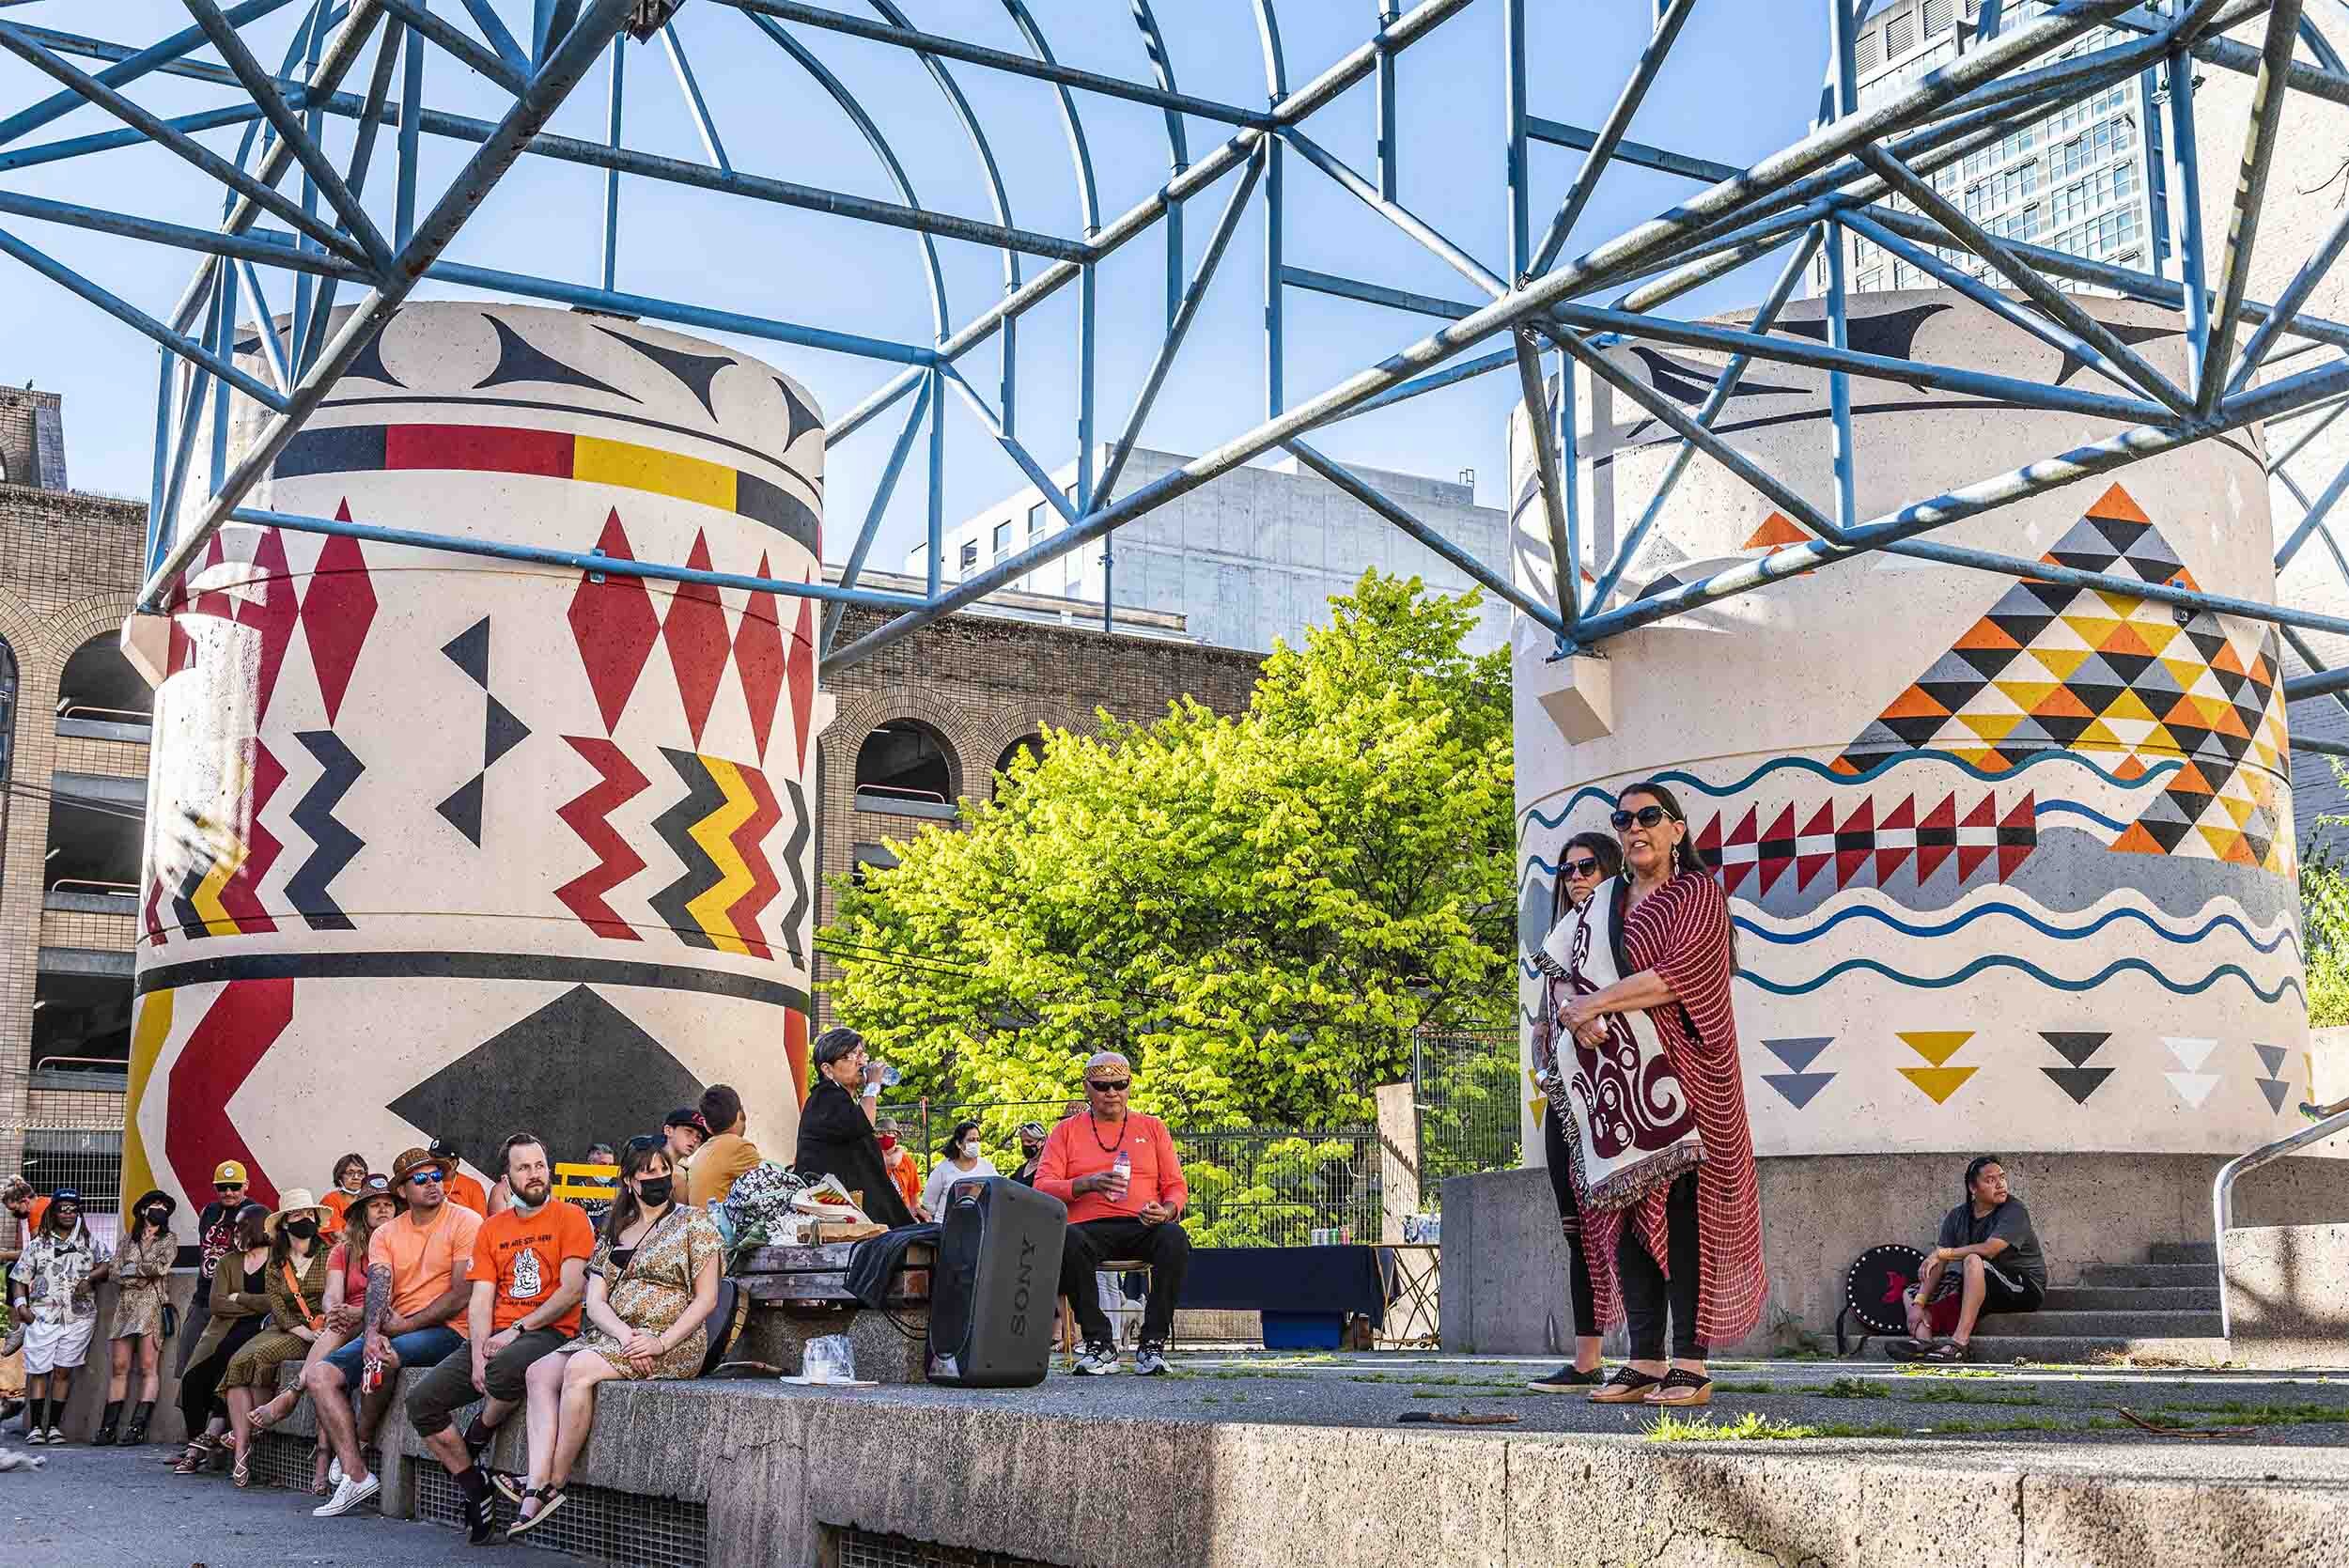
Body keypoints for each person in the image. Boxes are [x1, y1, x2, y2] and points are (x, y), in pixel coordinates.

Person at [1552, 781, 1765, 1409]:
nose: (1634, 827)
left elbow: (1678, 976)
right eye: (1624, 819)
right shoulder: (1603, 901)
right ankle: (1644, 1358)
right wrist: (1572, 1011)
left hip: (1691, 1080)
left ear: (1677, 828)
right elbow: (1561, 971)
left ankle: (1691, 1365)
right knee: (1624, 1218)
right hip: (1616, 1087)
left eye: (1649, 816)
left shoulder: (1696, 894)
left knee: (1685, 1217)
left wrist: (1592, 1003)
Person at [506, 1139, 722, 1538]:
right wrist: (625, 1337)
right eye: (648, 1173)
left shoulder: (695, 1223)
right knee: (538, 1372)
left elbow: (707, 1299)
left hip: (674, 1341)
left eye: (663, 1170)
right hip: (617, 1336)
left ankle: (550, 1484)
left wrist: (660, 1343)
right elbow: (596, 1301)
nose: (658, 1179)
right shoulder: (615, 1228)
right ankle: (534, 1479)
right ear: (630, 1181)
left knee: (579, 1367)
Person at [407, 1132, 595, 1545]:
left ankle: (481, 1429)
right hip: (493, 1337)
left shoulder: (571, 1217)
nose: (534, 1175)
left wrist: (515, 1330)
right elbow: (480, 1299)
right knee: (421, 1403)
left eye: (540, 1165)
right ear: (506, 1178)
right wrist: (475, 1353)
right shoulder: (492, 1229)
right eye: (523, 1168)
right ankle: (476, 1487)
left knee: (506, 1366)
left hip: (547, 1332)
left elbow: (571, 1291)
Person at [307, 1146, 484, 1518]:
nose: (433, 1184)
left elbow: (460, 1292)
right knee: (320, 1375)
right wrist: (371, 1331)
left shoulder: (465, 1220)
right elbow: (378, 1286)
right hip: (399, 1327)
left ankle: (363, 1438)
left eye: (437, 1176)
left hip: (451, 1330)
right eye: (420, 1179)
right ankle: (357, 1473)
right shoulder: (386, 1233)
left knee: (382, 1357)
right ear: (403, 1190)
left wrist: (405, 1324)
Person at [1526, 830, 1624, 1394]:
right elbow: (1546, 1023)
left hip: (1621, 1093)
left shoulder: (1627, 929)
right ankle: (1587, 1359)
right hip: (1567, 1100)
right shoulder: (1557, 944)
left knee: (1634, 1229)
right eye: (1567, 870)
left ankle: (1656, 1355)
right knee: (1577, 1232)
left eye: (1588, 866)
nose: (1577, 876)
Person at [1035, 1051, 1190, 1377]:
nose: (1111, 1093)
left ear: (1129, 1085)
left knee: (1175, 1237)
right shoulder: (1065, 1131)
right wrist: (1085, 1184)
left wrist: (1165, 1210)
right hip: (1088, 1228)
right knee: (1067, 1239)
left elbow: (1176, 1185)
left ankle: (1152, 1343)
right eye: (1102, 1085)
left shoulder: (1152, 1127)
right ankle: (1099, 1343)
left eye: (1119, 1085)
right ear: (1087, 1088)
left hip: (1142, 1224)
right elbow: (1043, 1186)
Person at [247, 1172, 399, 1498]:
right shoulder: (342, 1251)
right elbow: (332, 1293)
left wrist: (360, 1313)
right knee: (333, 1332)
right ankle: (296, 1396)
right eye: (375, 1205)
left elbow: (398, 1295)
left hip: (387, 1316)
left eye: (389, 1204)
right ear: (361, 1213)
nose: (383, 1210)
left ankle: (290, 1395)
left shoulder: (401, 1243)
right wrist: (336, 1309)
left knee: (339, 1339)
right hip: (346, 1319)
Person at [217, 1189, 334, 1487]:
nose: (304, 1220)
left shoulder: (330, 1254)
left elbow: (335, 1297)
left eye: (309, 1215)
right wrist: (304, 1331)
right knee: (239, 1360)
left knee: (260, 1357)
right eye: (297, 1216)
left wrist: (318, 1330)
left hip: (324, 1330)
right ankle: (243, 1448)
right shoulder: (276, 1261)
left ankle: (243, 1435)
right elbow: (277, 1307)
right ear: (284, 1223)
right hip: (290, 1328)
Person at [1892, 1156, 2047, 1363]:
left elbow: (1990, 1249)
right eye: (1990, 1180)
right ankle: (1923, 1343)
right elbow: (1938, 1263)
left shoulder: (2014, 1209)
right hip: (1979, 1286)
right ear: (1973, 1188)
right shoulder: (1957, 1216)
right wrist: (1919, 1303)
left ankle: (1959, 1344)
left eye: (2002, 1177)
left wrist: (1943, 1253)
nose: (2000, 1184)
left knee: (1973, 1259)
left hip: (2022, 1287)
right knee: (1911, 1292)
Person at [172, 1201, 270, 1472]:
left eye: (241, 1228)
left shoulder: (277, 1259)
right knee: (192, 1379)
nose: (235, 1234)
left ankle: (206, 1439)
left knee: (227, 1360)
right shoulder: (228, 1260)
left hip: (261, 1328)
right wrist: (252, 1302)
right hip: (223, 1326)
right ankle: (197, 1443)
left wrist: (241, 1298)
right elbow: (216, 1304)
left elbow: (275, 1302)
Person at [8, 1188, 112, 1443]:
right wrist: (22, 1307)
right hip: (42, 1317)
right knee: (40, 1371)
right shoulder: (38, 1245)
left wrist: (91, 1277)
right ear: (53, 1212)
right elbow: (19, 1277)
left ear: (79, 1212)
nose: (68, 1213)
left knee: (63, 1371)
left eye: (73, 1208)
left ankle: (54, 1426)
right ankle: (35, 1427)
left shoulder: (90, 1242)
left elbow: (108, 1263)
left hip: (79, 1317)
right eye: (62, 1208)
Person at [792, 1028, 914, 1228]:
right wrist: (873, 1086)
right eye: (851, 1056)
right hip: (833, 1210)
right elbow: (863, 1123)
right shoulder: (825, 1097)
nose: (861, 1062)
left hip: (855, 1207)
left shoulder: (842, 1100)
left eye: (861, 1054)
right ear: (827, 1069)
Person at [94, 1189, 175, 1445]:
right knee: (119, 1366)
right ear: (143, 1209)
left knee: (148, 1367)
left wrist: (133, 1270)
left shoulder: (169, 1239)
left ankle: (137, 1428)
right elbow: (115, 1271)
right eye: (155, 1204)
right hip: (125, 1305)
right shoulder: (128, 1240)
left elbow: (161, 1267)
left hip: (151, 1304)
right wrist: (140, 1271)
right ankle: (108, 1427)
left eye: (163, 1205)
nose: (159, 1208)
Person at [176, 1160, 249, 1379]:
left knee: (224, 1367)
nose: (228, 1192)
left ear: (246, 1185)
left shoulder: (254, 1213)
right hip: (202, 1298)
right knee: (188, 1361)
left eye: (235, 1186)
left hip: (234, 1301)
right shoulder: (208, 1211)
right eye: (222, 1187)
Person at [685, 1084, 760, 1210]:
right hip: (723, 1228)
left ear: (706, 1126)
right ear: (741, 1113)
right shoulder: (738, 1147)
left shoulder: (702, 1152)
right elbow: (773, 1186)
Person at [922, 1119, 1000, 1219]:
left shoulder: (987, 1167)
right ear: (958, 1143)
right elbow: (928, 1203)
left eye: (977, 1140)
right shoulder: (943, 1169)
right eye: (971, 1140)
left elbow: (998, 1193)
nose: (975, 1144)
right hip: (947, 1227)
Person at [876, 1119, 926, 1219]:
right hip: (878, 1216)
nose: (884, 1136)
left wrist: (913, 1217)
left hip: (903, 1216)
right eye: (880, 1133)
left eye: (889, 1132)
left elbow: (914, 1200)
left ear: (896, 1137)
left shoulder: (907, 1162)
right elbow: (891, 1163)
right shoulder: (871, 1158)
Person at [434, 1139, 490, 1217]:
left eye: (437, 1158)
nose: (432, 1161)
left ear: (453, 1164)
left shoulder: (473, 1187)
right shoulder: (423, 1179)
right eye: (430, 1157)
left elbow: (481, 1224)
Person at [662, 1106, 709, 1199]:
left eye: (699, 1137)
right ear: (668, 1131)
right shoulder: (644, 1161)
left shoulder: (688, 1171)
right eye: (688, 1132)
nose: (695, 1139)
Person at [319, 1154, 368, 1235]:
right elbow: (337, 1236)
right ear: (339, 1177)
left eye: (360, 1173)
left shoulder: (368, 1199)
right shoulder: (330, 1200)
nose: (356, 1177)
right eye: (350, 1173)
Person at [577, 1142, 618, 1226]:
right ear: (589, 1165)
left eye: (610, 1165)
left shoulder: (616, 1193)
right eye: (603, 1164)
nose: (608, 1169)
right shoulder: (574, 1195)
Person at [1008, 1122, 1050, 1188]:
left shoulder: (1048, 1169)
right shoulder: (1020, 1170)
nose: (1025, 1145)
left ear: (1042, 1141)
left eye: (1029, 1141)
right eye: (1022, 1142)